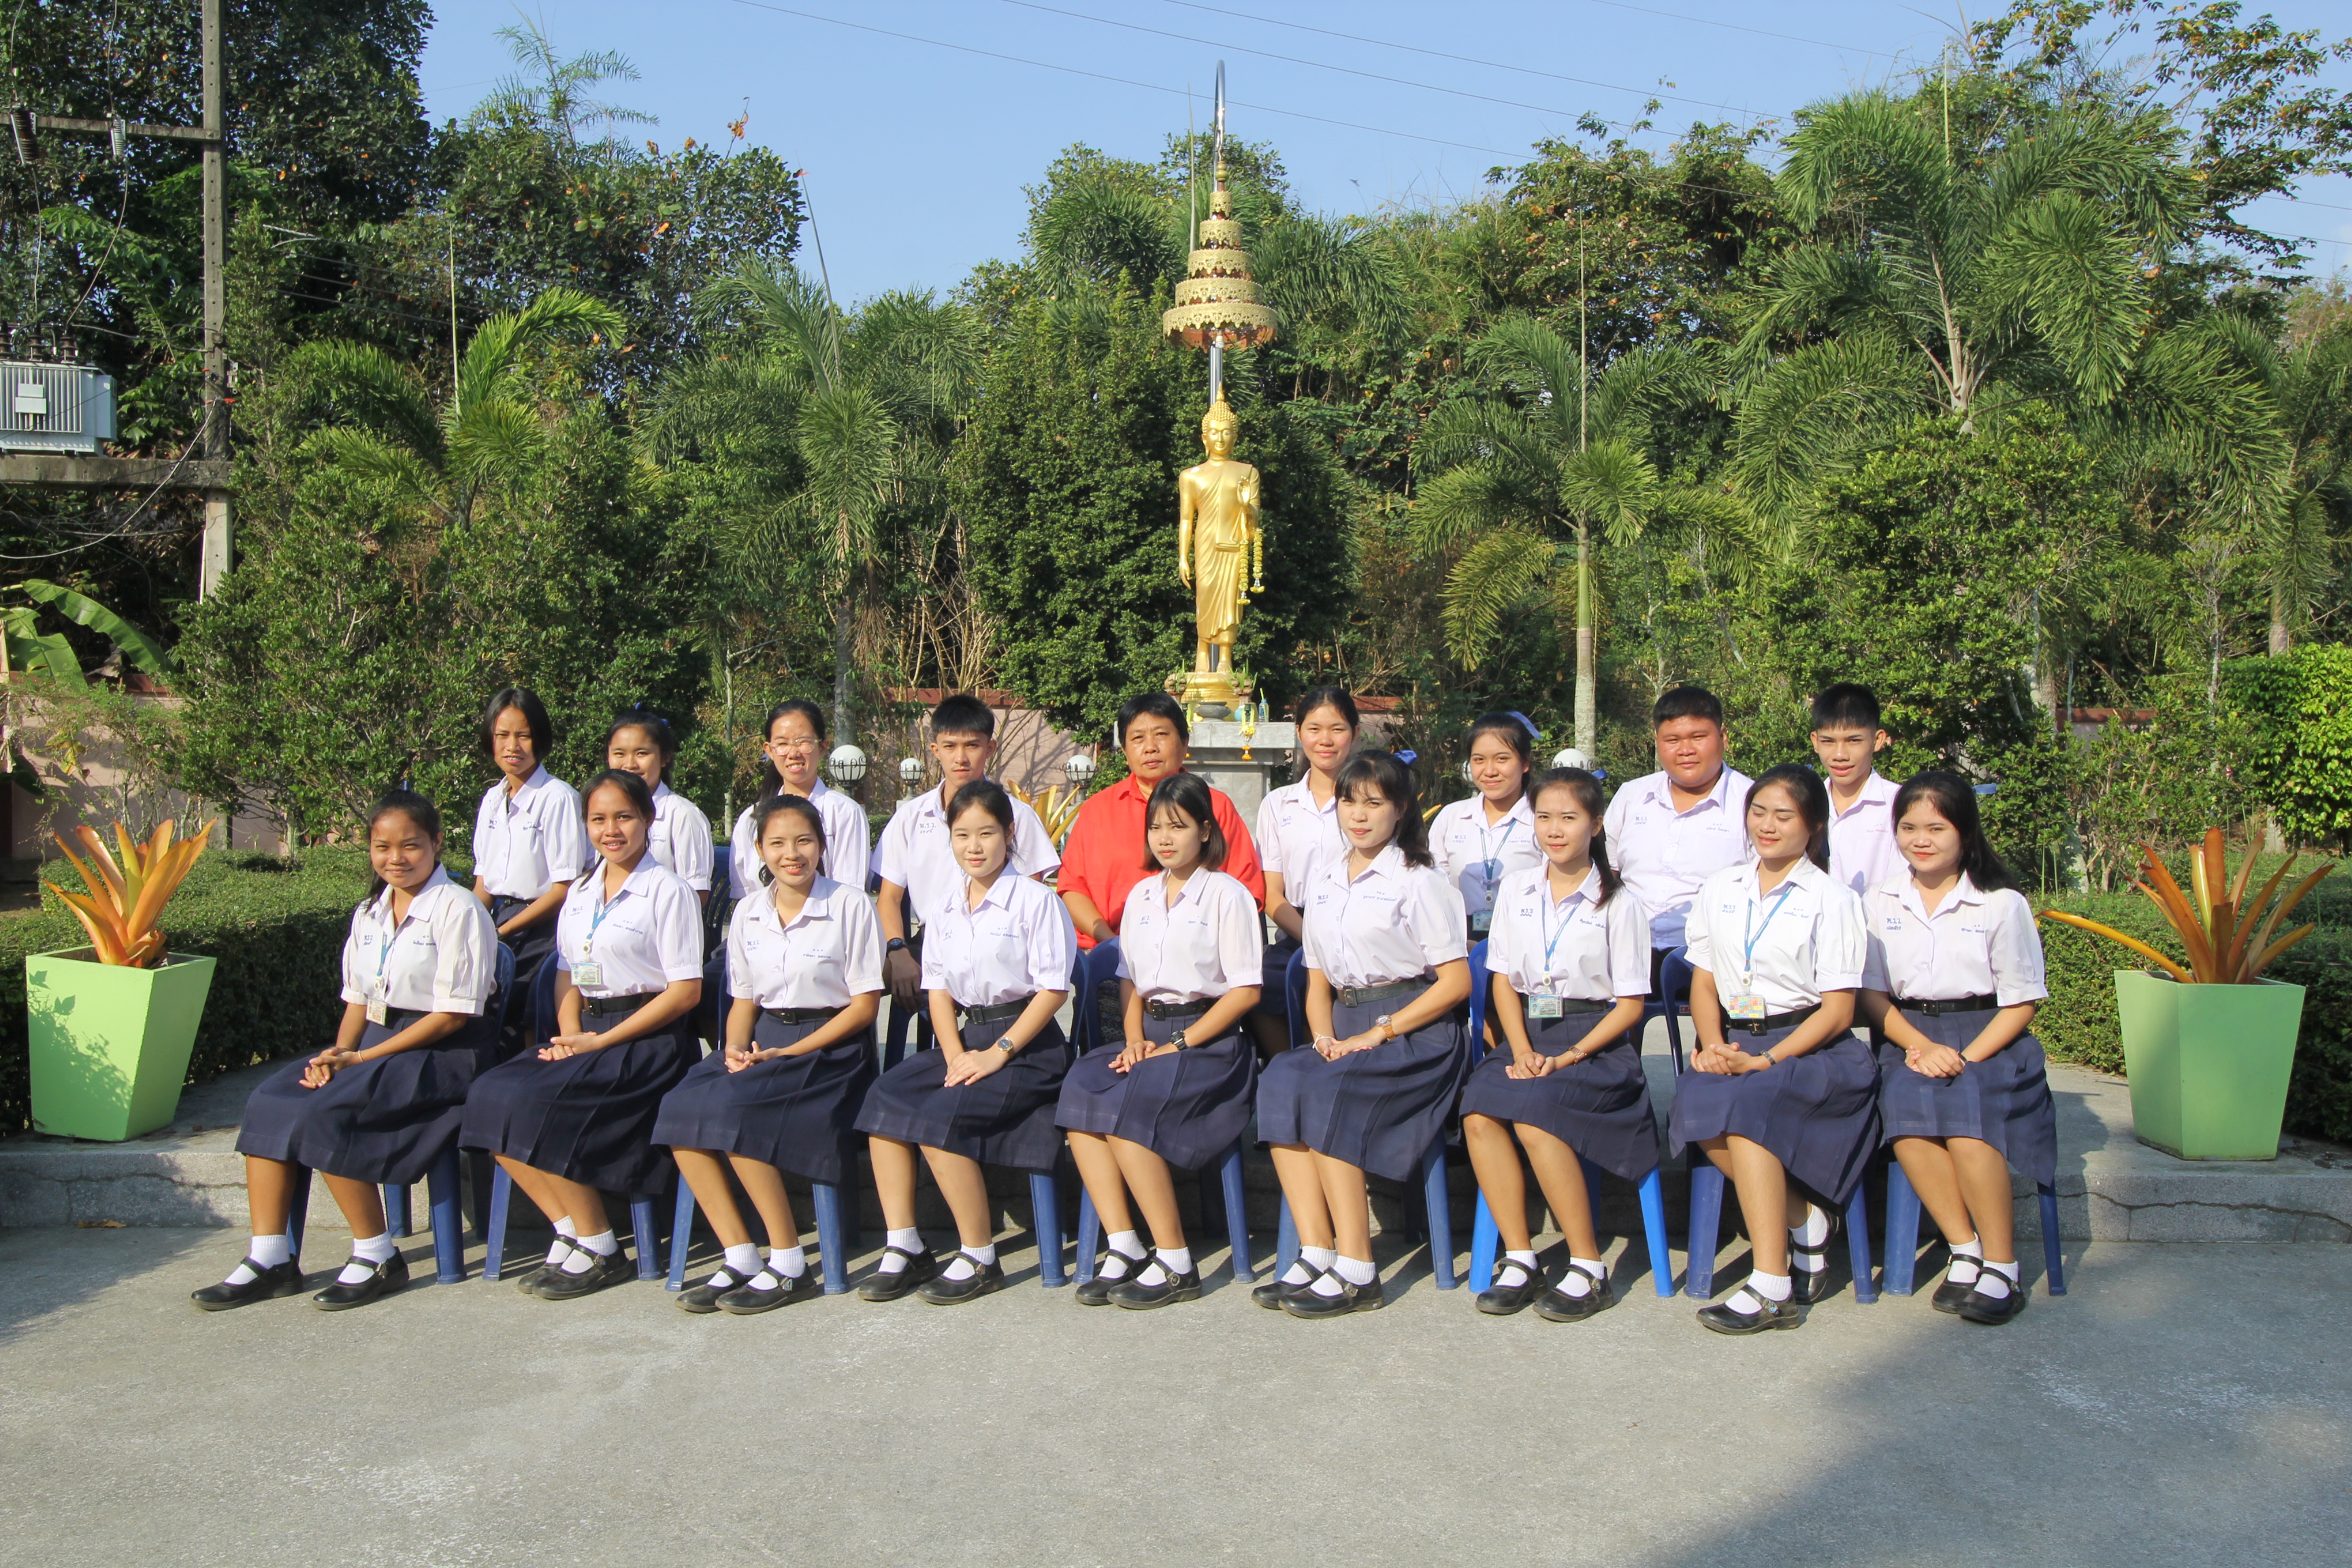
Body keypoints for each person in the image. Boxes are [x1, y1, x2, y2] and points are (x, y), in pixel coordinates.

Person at [195, 792, 502, 1312]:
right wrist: (336, 1054)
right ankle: (271, 1257)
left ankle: (377, 1255)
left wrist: (359, 1062)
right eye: (382, 847)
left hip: (444, 1053)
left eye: (410, 846)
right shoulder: (369, 912)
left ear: (437, 843)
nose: (396, 858)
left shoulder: (459, 909)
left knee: (327, 1110)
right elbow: (358, 1001)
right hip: (378, 1045)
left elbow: (452, 1016)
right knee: (271, 1100)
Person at [459, 769, 704, 1300]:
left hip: (645, 1043)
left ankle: (601, 1246)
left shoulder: (668, 891)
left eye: (624, 817)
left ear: (648, 819)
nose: (610, 830)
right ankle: (570, 1230)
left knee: (536, 1103)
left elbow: (685, 993)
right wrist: (571, 1035)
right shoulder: (582, 892)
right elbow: (568, 974)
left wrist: (599, 1044)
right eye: (598, 819)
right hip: (587, 1032)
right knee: (488, 1095)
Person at [1254, 751, 1472, 1319]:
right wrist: (1322, 1038)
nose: (1358, 814)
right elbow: (1317, 981)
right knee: (1281, 1079)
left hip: (1414, 1034)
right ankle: (1316, 1250)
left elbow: (1455, 983)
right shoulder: (1325, 883)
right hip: (1345, 1029)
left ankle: (1358, 1269)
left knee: (1328, 1090)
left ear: (1400, 810)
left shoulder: (1419, 881)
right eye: (1349, 801)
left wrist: (1380, 1033)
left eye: (1374, 803)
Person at [1668, 764, 1876, 1335]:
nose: (1767, 825)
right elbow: (1703, 981)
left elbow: (1838, 1011)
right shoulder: (1721, 888)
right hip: (1738, 1039)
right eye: (1758, 812)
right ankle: (1806, 1221)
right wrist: (1713, 1045)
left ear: (1812, 826)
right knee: (1695, 1102)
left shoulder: (1832, 899)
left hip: (1812, 1048)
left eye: (1783, 816)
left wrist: (1765, 1060)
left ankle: (1771, 1286)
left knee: (1749, 1107)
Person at [655, 794, 882, 1314]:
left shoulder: (849, 905)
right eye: (777, 843)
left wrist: (790, 1052)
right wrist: (734, 1050)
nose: (791, 854)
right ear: (760, 849)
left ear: (821, 846)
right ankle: (740, 1255)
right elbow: (743, 1002)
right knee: (679, 1107)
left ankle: (789, 1263)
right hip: (764, 1046)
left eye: (804, 841)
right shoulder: (749, 911)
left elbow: (864, 1007)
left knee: (737, 1110)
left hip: (831, 1052)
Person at [855, 781, 1077, 1305]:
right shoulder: (945, 907)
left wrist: (997, 1054)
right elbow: (936, 989)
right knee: (884, 1097)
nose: (974, 847)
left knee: (939, 1116)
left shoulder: (1035, 902)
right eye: (962, 835)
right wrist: (954, 1054)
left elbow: (1053, 990)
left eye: (986, 834)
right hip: (966, 1040)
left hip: (1027, 1048)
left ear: (1010, 834)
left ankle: (979, 1256)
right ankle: (905, 1246)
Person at [1056, 772, 1264, 1308]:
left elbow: (1244, 992)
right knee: (1081, 1090)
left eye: (1179, 826)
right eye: (1156, 828)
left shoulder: (1227, 895)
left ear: (1206, 830)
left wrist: (1180, 1044)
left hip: (1210, 1044)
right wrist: (1132, 1039)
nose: (1165, 838)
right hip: (1148, 1038)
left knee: (1127, 1105)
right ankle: (1125, 1245)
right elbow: (1129, 979)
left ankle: (1175, 1261)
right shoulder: (1142, 895)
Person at [1859, 771, 2054, 1327]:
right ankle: (1964, 1248)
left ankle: (2003, 1265)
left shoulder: (2000, 903)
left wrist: (1966, 1057)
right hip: (1910, 1035)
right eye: (1909, 827)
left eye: (1936, 828)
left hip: (1990, 1037)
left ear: (1965, 832)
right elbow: (1872, 995)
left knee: (1968, 1112)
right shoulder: (1880, 900)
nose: (1920, 840)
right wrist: (1920, 1047)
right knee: (1905, 1109)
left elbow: (2021, 1002)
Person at [1458, 768, 1654, 1321]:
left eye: (1569, 817)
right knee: (1478, 1110)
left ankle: (1588, 1265)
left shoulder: (1620, 902)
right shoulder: (1518, 888)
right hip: (1528, 1036)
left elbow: (1631, 1007)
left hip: (1594, 1046)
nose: (1555, 829)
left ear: (1596, 824)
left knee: (1536, 1112)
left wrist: (1568, 1057)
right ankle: (1522, 1257)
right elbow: (1502, 980)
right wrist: (1520, 1049)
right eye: (1544, 817)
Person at [1056, 691, 1264, 1045]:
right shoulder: (1097, 810)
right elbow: (1072, 887)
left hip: (1197, 979)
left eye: (1162, 735)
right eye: (1137, 738)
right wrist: (1116, 944)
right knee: (1107, 1066)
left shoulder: (1215, 807)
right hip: (1113, 968)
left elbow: (1247, 891)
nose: (1150, 747)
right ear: (1124, 750)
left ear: (1184, 743)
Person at [874, 693, 1060, 1045]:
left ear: (990, 749)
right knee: (857, 978)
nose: (961, 758)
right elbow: (889, 898)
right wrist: (897, 951)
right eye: (950, 746)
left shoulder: (1017, 816)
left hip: (999, 944)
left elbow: (1031, 896)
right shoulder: (911, 817)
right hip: (927, 942)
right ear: (935, 750)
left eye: (972, 746)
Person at [1603, 686, 1754, 999]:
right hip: (1629, 953)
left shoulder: (1752, 803)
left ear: (1723, 736)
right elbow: (1608, 872)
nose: (1685, 750)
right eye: (1672, 740)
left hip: (1712, 960)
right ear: (1657, 741)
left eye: (1698, 737)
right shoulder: (1632, 796)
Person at [470, 687, 585, 1048]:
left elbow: (564, 888)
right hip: (501, 923)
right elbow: (484, 884)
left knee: (522, 1013)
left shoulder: (558, 798)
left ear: (540, 738)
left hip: (543, 926)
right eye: (502, 735)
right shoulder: (493, 798)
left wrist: (501, 933)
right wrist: (471, 927)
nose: (512, 746)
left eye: (523, 735)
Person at [1252, 685, 1359, 1052]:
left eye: (1337, 729)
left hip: (1358, 927)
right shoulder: (1278, 804)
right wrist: (1311, 938)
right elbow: (1272, 894)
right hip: (1297, 928)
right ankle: (1289, 1065)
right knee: (1258, 988)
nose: (1325, 740)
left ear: (1355, 733)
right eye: (1314, 729)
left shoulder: (1369, 802)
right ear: (1299, 733)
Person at [727, 700, 870, 900]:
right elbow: (747, 896)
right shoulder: (751, 819)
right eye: (782, 744)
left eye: (803, 742)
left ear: (823, 747)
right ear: (769, 750)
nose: (793, 753)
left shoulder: (844, 813)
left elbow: (849, 893)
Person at [1430, 712, 1546, 941]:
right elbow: (1436, 883)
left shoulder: (1542, 819)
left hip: (1524, 937)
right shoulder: (1452, 816)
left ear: (1525, 763)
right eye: (1479, 760)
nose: (1490, 771)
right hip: (1461, 939)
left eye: (1502, 759)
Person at [604, 709, 714, 906]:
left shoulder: (683, 815)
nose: (629, 764)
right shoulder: (599, 812)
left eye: (642, 753)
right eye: (619, 753)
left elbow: (696, 894)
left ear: (665, 757)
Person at [1812, 683, 1902, 896]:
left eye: (1853, 741)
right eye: (1828, 741)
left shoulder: (1900, 805)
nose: (1840, 755)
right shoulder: (1805, 804)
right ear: (1815, 741)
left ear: (1878, 740)